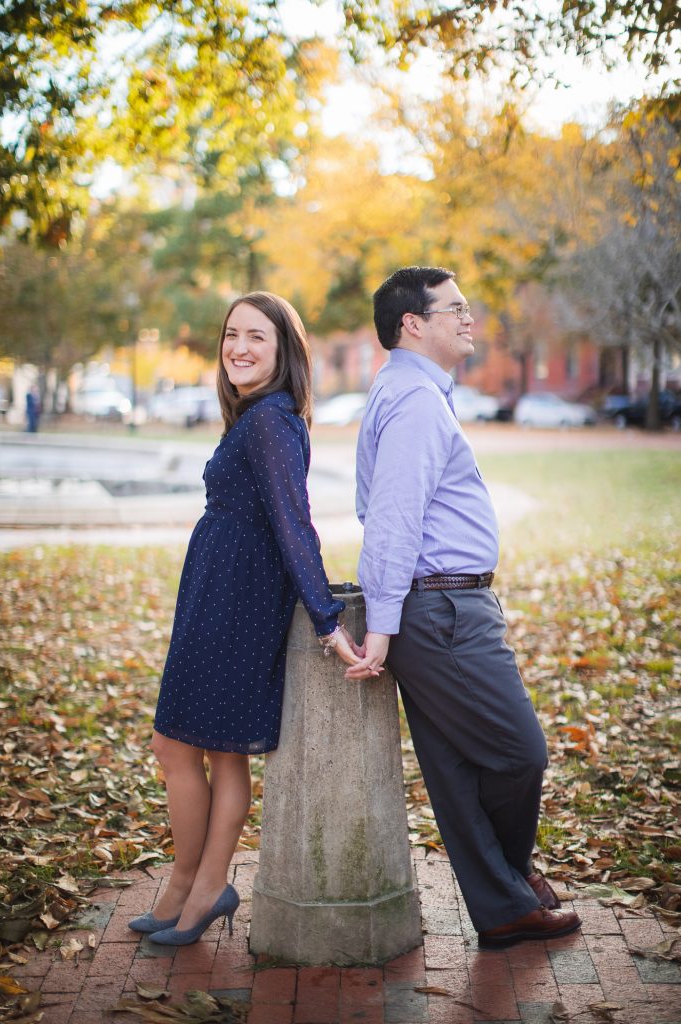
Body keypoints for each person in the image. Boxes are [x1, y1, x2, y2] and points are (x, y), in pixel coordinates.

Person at [346, 266, 581, 948]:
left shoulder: (409, 391)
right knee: (518, 753)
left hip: (437, 607)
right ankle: (508, 884)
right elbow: (392, 519)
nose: (467, 318)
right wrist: (384, 627)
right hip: (442, 611)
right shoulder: (415, 400)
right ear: (410, 324)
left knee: (453, 770)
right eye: (452, 309)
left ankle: (502, 904)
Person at [130, 291, 360, 946]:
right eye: (232, 334)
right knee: (221, 755)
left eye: (256, 336)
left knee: (176, 746)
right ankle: (194, 890)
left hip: (237, 606)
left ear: (284, 350)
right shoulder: (259, 417)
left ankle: (194, 889)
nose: (239, 347)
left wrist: (326, 619)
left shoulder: (269, 423)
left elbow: (294, 524)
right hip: (218, 594)